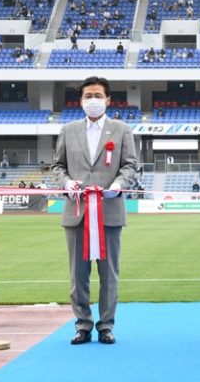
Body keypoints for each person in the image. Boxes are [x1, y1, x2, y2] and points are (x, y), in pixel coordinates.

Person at [52, 76, 137, 345]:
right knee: (78, 275)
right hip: (76, 212)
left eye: (98, 96)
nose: (93, 100)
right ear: (80, 101)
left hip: (109, 210)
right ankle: (83, 324)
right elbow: (58, 166)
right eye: (88, 96)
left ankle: (106, 325)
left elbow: (130, 165)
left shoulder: (121, 130)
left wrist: (119, 185)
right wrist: (67, 183)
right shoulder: (68, 130)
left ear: (108, 100)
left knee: (109, 274)